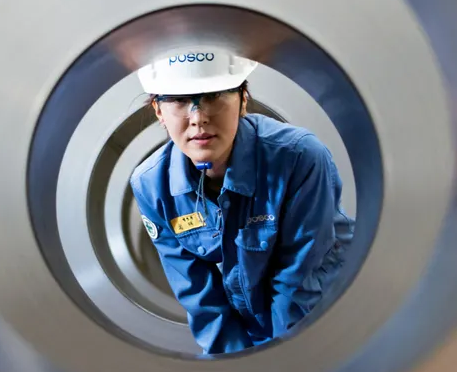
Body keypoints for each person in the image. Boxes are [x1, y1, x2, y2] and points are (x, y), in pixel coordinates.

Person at [129, 49, 355, 355]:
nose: (198, 117)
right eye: (179, 100)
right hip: (259, 324)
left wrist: (277, 364)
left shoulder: (299, 158)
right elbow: (200, 297)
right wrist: (235, 368)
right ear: (158, 110)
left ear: (243, 100)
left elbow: (298, 282)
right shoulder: (151, 186)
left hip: (334, 314)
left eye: (214, 95)